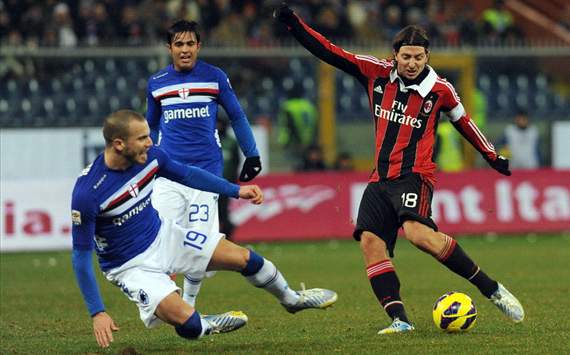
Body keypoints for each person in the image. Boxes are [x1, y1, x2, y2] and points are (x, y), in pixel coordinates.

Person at [275, 4, 524, 334]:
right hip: (380, 179)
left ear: (427, 57)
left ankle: (492, 289)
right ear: (395, 56)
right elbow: (330, 52)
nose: (412, 63)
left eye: (419, 57)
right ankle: (400, 321)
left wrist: (491, 156)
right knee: (369, 241)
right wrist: (294, 24)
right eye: (406, 57)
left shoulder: (440, 89)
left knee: (419, 235)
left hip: (414, 175)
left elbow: (464, 122)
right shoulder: (375, 72)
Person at [71, 110, 338, 348]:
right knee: (189, 326)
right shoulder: (88, 193)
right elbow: (81, 259)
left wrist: (236, 190)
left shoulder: (150, 157)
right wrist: (98, 312)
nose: (150, 142)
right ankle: (205, 323)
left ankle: (292, 300)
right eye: (142, 138)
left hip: (165, 236)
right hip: (130, 266)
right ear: (119, 144)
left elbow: (189, 174)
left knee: (246, 259)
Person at [146, 20, 262, 307]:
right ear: (169, 48)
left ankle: (188, 305)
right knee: (160, 240)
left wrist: (252, 153)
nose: (184, 50)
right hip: (169, 174)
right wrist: (148, 159)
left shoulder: (215, 77)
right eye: (178, 44)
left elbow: (237, 116)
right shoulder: (157, 83)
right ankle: (165, 304)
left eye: (189, 44)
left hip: (206, 172)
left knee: (200, 245)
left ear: (198, 46)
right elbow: (150, 126)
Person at [217, 117, 240, 238]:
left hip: (226, 184)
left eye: (221, 123)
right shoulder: (211, 141)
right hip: (211, 184)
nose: (219, 126)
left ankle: (228, 236)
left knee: (223, 211)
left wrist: (234, 182)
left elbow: (236, 162)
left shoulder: (231, 142)